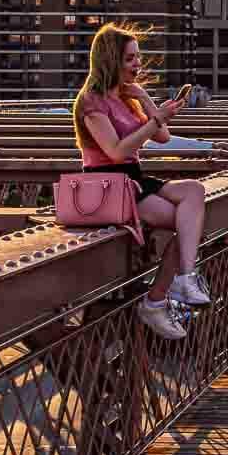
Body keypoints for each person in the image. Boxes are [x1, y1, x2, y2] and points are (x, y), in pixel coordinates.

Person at [74, 23, 211, 341]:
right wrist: (156, 118)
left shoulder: (125, 97)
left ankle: (183, 278)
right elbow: (116, 150)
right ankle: (159, 297)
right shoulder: (92, 102)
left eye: (138, 57)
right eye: (131, 59)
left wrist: (146, 100)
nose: (138, 64)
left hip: (132, 178)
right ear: (111, 60)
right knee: (188, 221)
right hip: (107, 184)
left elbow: (161, 137)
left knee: (194, 193)